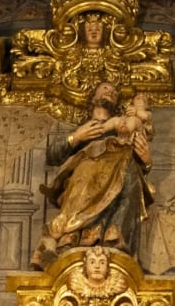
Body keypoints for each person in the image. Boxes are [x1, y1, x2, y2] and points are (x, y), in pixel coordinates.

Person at [32, 81, 152, 268]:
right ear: (93, 97)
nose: (110, 92)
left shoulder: (122, 127)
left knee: (129, 175)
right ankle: (66, 240)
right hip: (87, 176)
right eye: (105, 88)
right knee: (88, 177)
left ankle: (116, 242)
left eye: (114, 92)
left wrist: (146, 161)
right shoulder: (83, 128)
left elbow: (138, 155)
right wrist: (77, 137)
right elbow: (53, 155)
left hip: (121, 173)